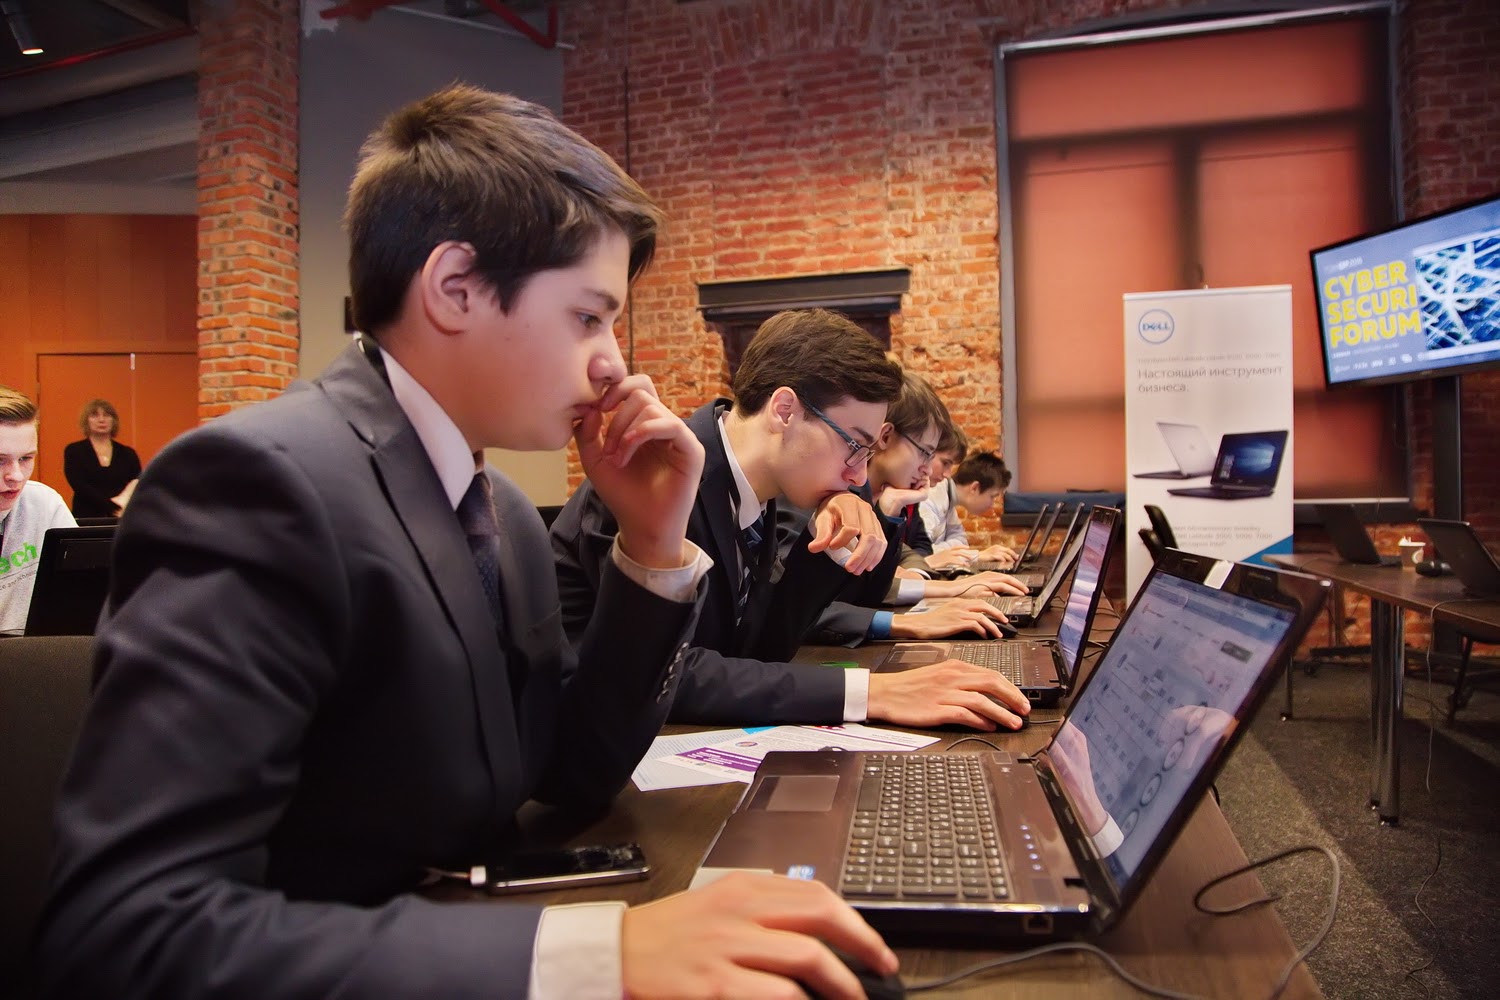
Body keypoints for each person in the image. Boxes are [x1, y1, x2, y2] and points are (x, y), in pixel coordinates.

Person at [34, 86, 896, 1000]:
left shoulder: (502, 516)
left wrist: (652, 545)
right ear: (455, 289)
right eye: (588, 316)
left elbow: (576, 774)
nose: (614, 361)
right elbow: (126, 933)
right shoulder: (257, 486)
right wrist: (594, 957)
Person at [553, 309, 1030, 731]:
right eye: (855, 445)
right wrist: (875, 692)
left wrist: (828, 543)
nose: (858, 474)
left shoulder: (759, 491)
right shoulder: (655, 476)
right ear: (785, 411)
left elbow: (761, 651)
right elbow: (668, 674)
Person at [811, 371, 1030, 648]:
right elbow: (806, 607)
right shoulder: (831, 491)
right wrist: (918, 618)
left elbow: (870, 588)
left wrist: (891, 509)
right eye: (925, 452)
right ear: (886, 436)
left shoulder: (872, 495)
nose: (928, 469)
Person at [0, 386, 78, 634]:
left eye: (26, 459)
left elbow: (81, 594)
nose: (16, 476)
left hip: (34, 651)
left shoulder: (44, 503)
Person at [919, 451, 1021, 570]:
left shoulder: (948, 498)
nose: (992, 505)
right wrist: (976, 555)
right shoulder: (930, 499)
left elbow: (961, 541)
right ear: (974, 488)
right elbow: (922, 555)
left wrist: (946, 550)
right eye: (992, 496)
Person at [62, 398, 142, 519]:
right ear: (86, 421)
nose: (101, 420)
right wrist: (113, 507)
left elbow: (137, 482)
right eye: (95, 415)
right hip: (87, 517)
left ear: (114, 420)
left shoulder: (128, 453)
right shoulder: (74, 450)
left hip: (122, 516)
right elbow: (79, 484)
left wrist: (123, 505)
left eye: (107, 415)